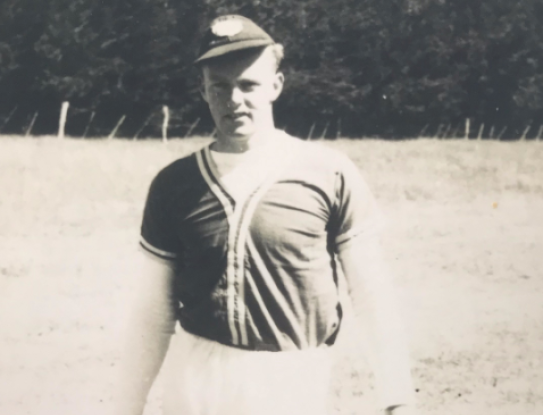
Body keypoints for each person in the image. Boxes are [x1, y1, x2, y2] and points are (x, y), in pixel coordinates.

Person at [115, 14, 417, 415]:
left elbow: (371, 292)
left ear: (275, 86)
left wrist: (397, 397)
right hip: (196, 381)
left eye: (248, 85)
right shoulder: (174, 184)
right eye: (219, 87)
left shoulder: (328, 172)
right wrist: (125, 404)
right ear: (203, 91)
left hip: (290, 380)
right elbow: (154, 310)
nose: (234, 100)